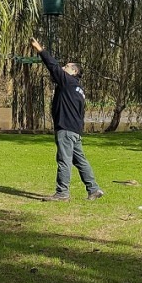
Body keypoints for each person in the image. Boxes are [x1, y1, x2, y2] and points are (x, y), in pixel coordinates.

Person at [31, 36, 104, 202]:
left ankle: (62, 193)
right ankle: (93, 189)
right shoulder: (78, 89)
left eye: (67, 67)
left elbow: (53, 67)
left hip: (65, 129)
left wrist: (40, 49)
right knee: (80, 160)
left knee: (64, 160)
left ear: (74, 72)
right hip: (75, 131)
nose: (63, 68)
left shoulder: (68, 82)